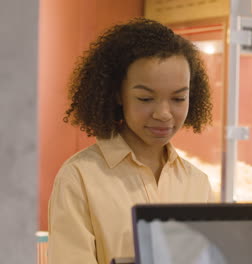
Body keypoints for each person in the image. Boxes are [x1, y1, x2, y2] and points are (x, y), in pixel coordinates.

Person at [47, 18, 214, 264]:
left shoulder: (197, 182)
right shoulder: (79, 178)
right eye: (146, 99)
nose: (164, 113)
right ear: (117, 94)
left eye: (178, 99)